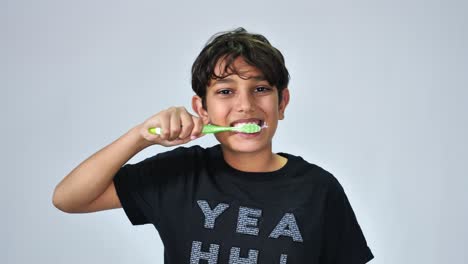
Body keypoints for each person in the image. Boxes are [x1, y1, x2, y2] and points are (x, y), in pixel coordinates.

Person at [53, 27, 374, 263]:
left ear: (282, 102)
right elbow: (69, 198)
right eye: (225, 91)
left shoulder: (317, 188)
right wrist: (140, 136)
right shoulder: (180, 174)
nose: (245, 105)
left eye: (260, 88)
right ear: (202, 108)